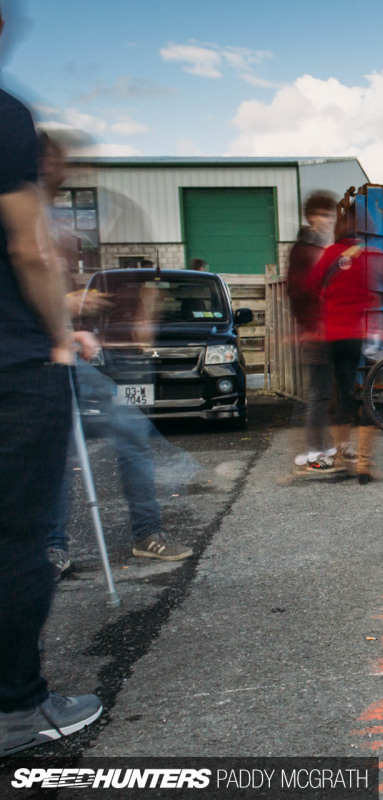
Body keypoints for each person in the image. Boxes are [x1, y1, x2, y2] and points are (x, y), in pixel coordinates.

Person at [0, 4, 103, 754]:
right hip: (11, 360)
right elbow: (30, 248)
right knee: (17, 536)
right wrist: (61, 335)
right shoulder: (7, 121)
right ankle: (16, 705)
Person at [37, 131, 192, 575]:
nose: (62, 169)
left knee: (132, 428)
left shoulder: (47, 216)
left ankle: (147, 535)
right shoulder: (18, 210)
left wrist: (72, 329)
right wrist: (66, 307)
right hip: (33, 361)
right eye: (54, 161)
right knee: (56, 450)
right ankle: (51, 548)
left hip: (64, 352)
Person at [307, 222, 383, 482]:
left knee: (337, 394)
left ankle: (341, 464)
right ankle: (364, 466)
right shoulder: (370, 255)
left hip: (331, 336)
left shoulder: (330, 253)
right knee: (361, 393)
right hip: (359, 334)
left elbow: (311, 286)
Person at [286, 191, 338, 471]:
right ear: (310, 217)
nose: (327, 220)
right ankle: (313, 450)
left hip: (328, 331)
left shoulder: (319, 247)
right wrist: (310, 327)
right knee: (318, 394)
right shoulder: (304, 250)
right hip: (316, 332)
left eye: (331, 215)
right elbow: (299, 292)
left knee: (322, 392)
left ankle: (323, 445)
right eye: (322, 215)